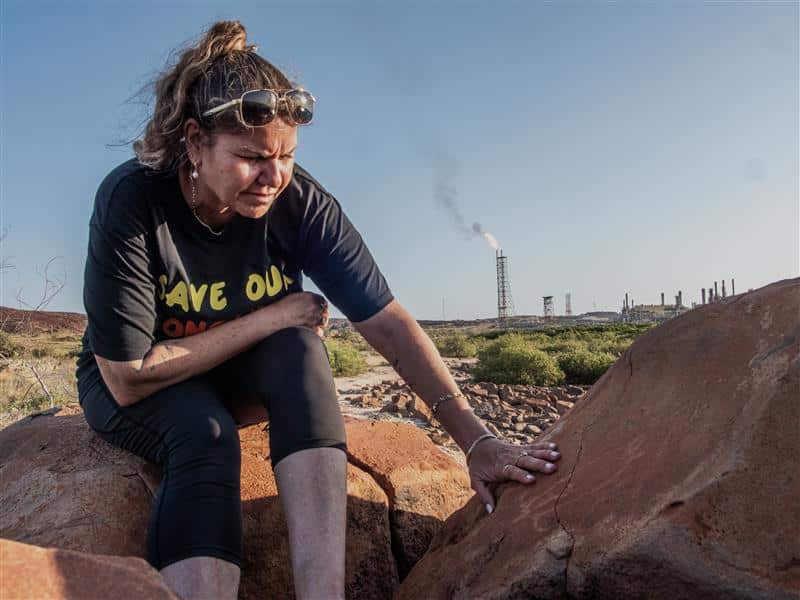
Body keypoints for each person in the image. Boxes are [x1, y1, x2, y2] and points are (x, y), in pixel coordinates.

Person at [75, 20, 561, 600]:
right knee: (205, 436)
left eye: (286, 155)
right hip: (143, 388)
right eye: (252, 156)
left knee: (301, 353)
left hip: (232, 376)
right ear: (195, 142)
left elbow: (388, 323)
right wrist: (272, 316)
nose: (274, 176)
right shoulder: (133, 201)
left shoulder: (298, 202)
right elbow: (129, 375)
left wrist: (477, 443)